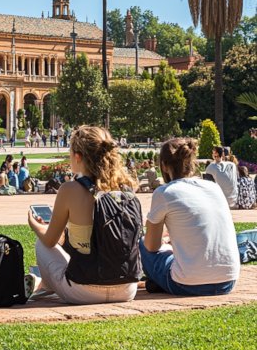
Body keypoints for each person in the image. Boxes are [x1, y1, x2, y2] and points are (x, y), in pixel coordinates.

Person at [28, 126, 141, 304]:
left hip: (84, 290)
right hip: (127, 289)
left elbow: (50, 241)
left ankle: (43, 285)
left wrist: (34, 224)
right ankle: (43, 285)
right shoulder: (127, 190)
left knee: (41, 244)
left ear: (78, 156)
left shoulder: (70, 189)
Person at [141, 138, 240, 296]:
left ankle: (157, 279)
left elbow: (151, 247)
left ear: (164, 166)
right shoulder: (214, 188)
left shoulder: (165, 193)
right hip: (227, 281)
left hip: (187, 283)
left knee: (142, 242)